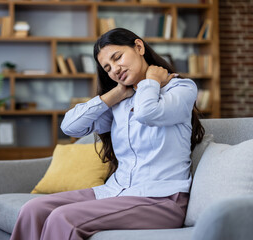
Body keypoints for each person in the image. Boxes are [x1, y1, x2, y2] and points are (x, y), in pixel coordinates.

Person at [10, 28, 205, 240]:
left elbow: (147, 113)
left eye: (117, 57)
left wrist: (151, 81)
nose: (114, 70)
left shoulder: (181, 88)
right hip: (115, 191)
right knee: (33, 209)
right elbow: (70, 127)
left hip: (161, 199)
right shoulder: (119, 102)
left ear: (139, 47)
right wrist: (117, 93)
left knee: (62, 218)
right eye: (107, 68)